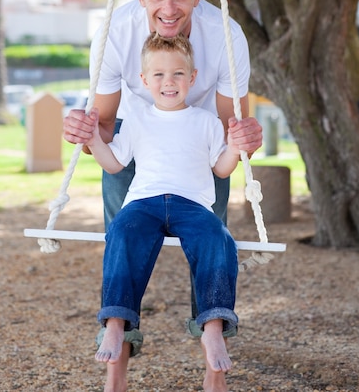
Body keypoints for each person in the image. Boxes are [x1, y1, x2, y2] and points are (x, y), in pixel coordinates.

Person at [63, 0, 262, 392]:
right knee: (123, 237)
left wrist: (245, 141)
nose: (168, 8)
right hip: (138, 144)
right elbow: (107, 129)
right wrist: (84, 134)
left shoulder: (225, 35)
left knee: (215, 241)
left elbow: (233, 131)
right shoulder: (116, 32)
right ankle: (116, 366)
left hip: (201, 150)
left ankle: (215, 362)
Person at [88, 33, 246, 390]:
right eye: (158, 75)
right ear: (144, 82)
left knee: (218, 239)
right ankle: (115, 323)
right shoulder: (139, 119)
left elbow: (221, 169)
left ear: (192, 78)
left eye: (177, 74)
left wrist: (235, 147)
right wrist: (93, 140)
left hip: (192, 204)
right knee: (121, 233)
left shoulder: (205, 121)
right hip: (144, 202)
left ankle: (213, 326)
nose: (168, 82)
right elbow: (114, 164)